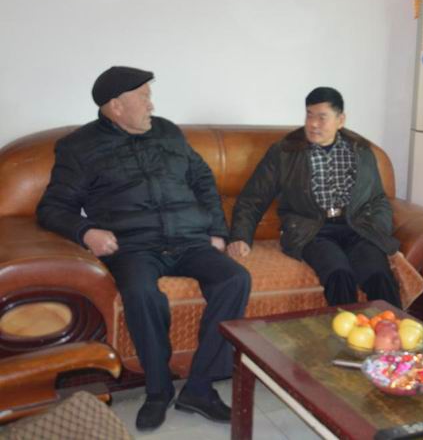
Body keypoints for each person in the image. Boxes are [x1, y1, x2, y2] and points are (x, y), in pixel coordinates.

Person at [37, 66, 252, 432]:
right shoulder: (79, 147)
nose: (152, 105)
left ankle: (199, 388)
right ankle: (157, 390)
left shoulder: (168, 132)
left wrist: (217, 230)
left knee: (235, 278)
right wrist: (86, 232)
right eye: (144, 98)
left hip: (188, 238)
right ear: (116, 106)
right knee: (140, 293)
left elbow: (202, 179)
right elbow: (53, 208)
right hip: (133, 246)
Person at [227, 86, 401, 307]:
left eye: (321, 117)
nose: (313, 124)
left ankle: (393, 328)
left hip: (357, 227)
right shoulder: (285, 152)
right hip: (312, 230)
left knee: (379, 275)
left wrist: (378, 228)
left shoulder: (360, 151)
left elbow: (377, 198)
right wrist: (240, 236)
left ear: (340, 120)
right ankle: (343, 329)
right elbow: (253, 198)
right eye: (309, 115)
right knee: (339, 274)